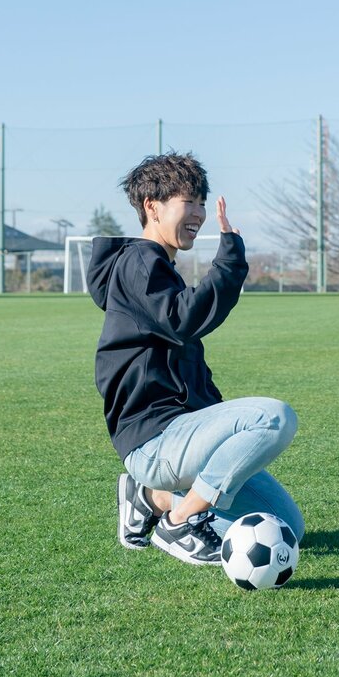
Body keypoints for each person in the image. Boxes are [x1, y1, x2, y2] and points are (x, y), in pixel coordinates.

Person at [88, 152, 304, 567]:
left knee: (287, 526)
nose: (199, 214)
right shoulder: (139, 263)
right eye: (188, 202)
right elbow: (184, 318)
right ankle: (179, 522)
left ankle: (151, 498)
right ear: (152, 207)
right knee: (273, 418)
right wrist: (230, 260)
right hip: (155, 439)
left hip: (181, 436)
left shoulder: (159, 267)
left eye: (202, 203)